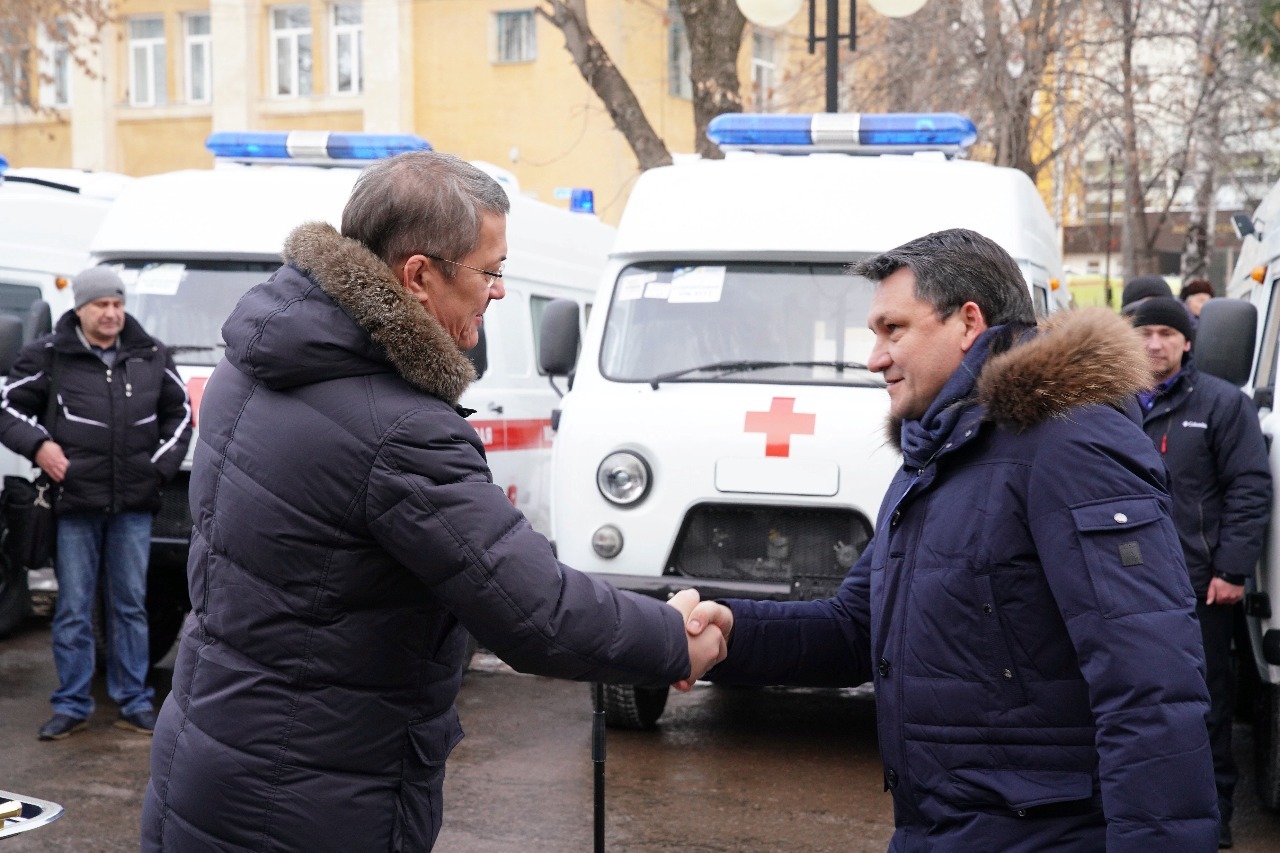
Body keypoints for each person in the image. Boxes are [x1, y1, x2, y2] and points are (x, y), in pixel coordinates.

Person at [140, 151, 725, 852]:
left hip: (209, 758)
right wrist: (671, 638)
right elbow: (534, 611)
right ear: (418, 276)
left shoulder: (255, 364)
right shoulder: (399, 429)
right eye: (490, 270)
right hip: (309, 801)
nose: (499, 292)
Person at [683, 228, 1218, 850]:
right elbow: (858, 627)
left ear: (968, 322)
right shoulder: (938, 454)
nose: (874, 359)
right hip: (940, 830)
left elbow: (1150, 684)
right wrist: (731, 632)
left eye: (893, 330)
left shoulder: (1072, 444)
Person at [0, 268, 192, 740]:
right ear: (80, 308)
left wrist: (157, 469)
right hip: (74, 507)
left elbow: (181, 414)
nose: (111, 313)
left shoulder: (151, 354)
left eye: (117, 304)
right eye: (101, 305)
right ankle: (71, 704)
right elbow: (7, 407)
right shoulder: (50, 354)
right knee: (73, 609)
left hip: (133, 507)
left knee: (129, 607)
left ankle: (134, 701)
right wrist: (40, 446)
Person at [1130, 296, 1271, 849]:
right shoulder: (1109, 401)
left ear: (1187, 341)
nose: (1155, 344)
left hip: (1196, 586)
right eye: (1145, 332)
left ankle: (1213, 816)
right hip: (1124, 586)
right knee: (1129, 704)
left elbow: (1249, 488)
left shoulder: (1221, 403)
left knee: (1202, 704)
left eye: (1167, 333)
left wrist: (1232, 570)